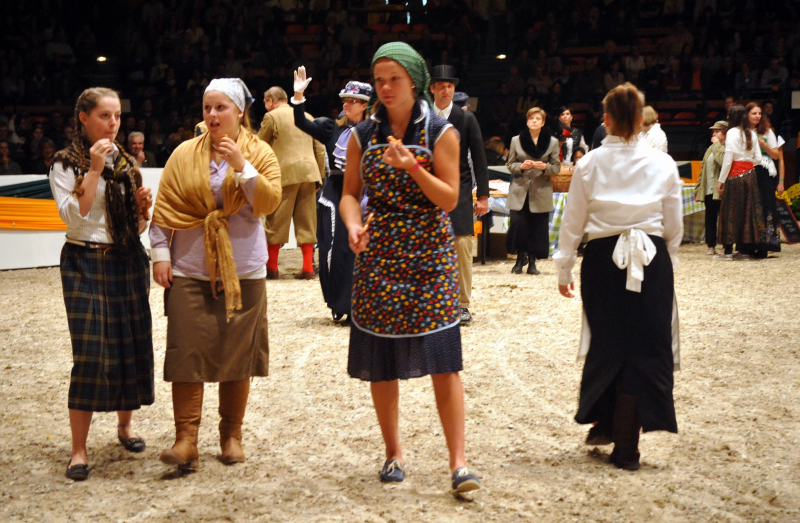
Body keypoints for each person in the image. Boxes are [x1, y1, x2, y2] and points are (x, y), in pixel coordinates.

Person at [339, 41, 481, 494]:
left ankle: (458, 463)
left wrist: (414, 169)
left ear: (414, 82)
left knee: (445, 361)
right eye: (379, 79)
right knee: (380, 361)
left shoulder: (441, 132)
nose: (384, 87)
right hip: (379, 255)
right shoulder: (363, 134)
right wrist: (352, 223)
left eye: (393, 79)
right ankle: (392, 453)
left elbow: (450, 198)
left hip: (430, 256)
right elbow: (348, 193)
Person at [150, 78, 282, 471]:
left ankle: (231, 436)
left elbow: (268, 203)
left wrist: (242, 167)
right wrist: (160, 254)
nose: (211, 115)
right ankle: (186, 439)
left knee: (237, 354)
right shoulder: (182, 154)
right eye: (207, 108)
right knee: (187, 352)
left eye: (220, 108)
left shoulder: (260, 152)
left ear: (240, 111)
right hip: (189, 268)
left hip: (244, 271)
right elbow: (165, 208)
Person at [554, 83, 683, 471]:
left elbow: (572, 222)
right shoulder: (663, 163)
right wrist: (667, 262)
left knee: (608, 344)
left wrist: (564, 267)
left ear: (606, 118)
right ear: (642, 119)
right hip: (651, 257)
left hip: (603, 261)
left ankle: (613, 430)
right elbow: (673, 225)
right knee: (646, 347)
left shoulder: (589, 163)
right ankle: (622, 439)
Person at [49, 87, 154, 481]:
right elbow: (74, 217)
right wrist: (93, 170)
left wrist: (143, 208)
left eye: (117, 117)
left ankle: (125, 427)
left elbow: (140, 226)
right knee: (91, 353)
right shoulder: (65, 163)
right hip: (85, 260)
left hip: (127, 260)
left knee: (131, 345)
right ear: (83, 118)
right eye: (104, 116)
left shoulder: (127, 163)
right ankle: (79, 449)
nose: (112, 124)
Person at [290, 66, 373, 323]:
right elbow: (301, 122)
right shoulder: (330, 128)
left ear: (364, 105)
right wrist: (299, 97)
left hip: (364, 195)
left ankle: (356, 307)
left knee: (356, 252)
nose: (346, 105)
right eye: (344, 100)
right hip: (333, 195)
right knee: (330, 251)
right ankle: (337, 302)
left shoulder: (375, 131)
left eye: (352, 101)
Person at [430, 64, 490, 326]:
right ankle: (431, 300)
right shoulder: (421, 116)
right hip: (428, 188)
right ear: (432, 88)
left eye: (450, 86)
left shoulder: (466, 119)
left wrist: (484, 195)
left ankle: (462, 303)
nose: (446, 90)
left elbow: (479, 158)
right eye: (441, 86)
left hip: (460, 189)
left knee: (463, 244)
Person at [258, 86, 326, 280]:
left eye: (265, 102)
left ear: (270, 100)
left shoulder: (271, 117)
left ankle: (272, 268)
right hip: (309, 173)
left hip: (283, 174)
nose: (265, 107)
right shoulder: (308, 117)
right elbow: (320, 149)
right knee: (307, 222)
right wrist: (319, 176)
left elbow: (259, 146)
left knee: (276, 220)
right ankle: (307, 268)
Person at [505, 107, 561, 275]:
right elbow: (510, 164)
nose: (534, 121)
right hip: (520, 189)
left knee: (537, 227)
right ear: (527, 122)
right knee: (519, 224)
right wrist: (521, 166)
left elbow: (557, 167)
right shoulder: (516, 140)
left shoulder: (552, 142)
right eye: (531, 119)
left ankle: (532, 262)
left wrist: (545, 167)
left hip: (541, 189)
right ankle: (519, 258)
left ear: (543, 123)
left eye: (537, 119)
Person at [716, 104, 766, 260]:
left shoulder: (731, 132)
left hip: (734, 176)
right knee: (748, 212)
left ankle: (728, 252)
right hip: (750, 176)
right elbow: (758, 158)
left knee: (730, 212)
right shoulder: (751, 132)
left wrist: (721, 179)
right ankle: (744, 251)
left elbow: (728, 158)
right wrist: (747, 164)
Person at [748, 103, 784, 257]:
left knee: (766, 206)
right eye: (754, 113)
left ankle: (765, 245)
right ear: (747, 115)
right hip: (749, 170)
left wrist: (765, 146)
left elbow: (776, 155)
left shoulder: (767, 131)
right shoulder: (743, 131)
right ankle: (749, 244)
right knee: (751, 207)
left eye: (759, 113)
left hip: (765, 172)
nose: (757, 116)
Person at [694, 121, 728, 255]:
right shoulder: (710, 148)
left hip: (721, 190)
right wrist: (698, 188)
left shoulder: (726, 147)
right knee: (710, 219)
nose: (714, 134)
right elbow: (703, 169)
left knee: (724, 219)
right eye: (713, 131)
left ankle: (727, 245)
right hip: (709, 190)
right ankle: (711, 245)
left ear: (725, 133)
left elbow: (722, 161)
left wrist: (716, 145)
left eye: (717, 131)